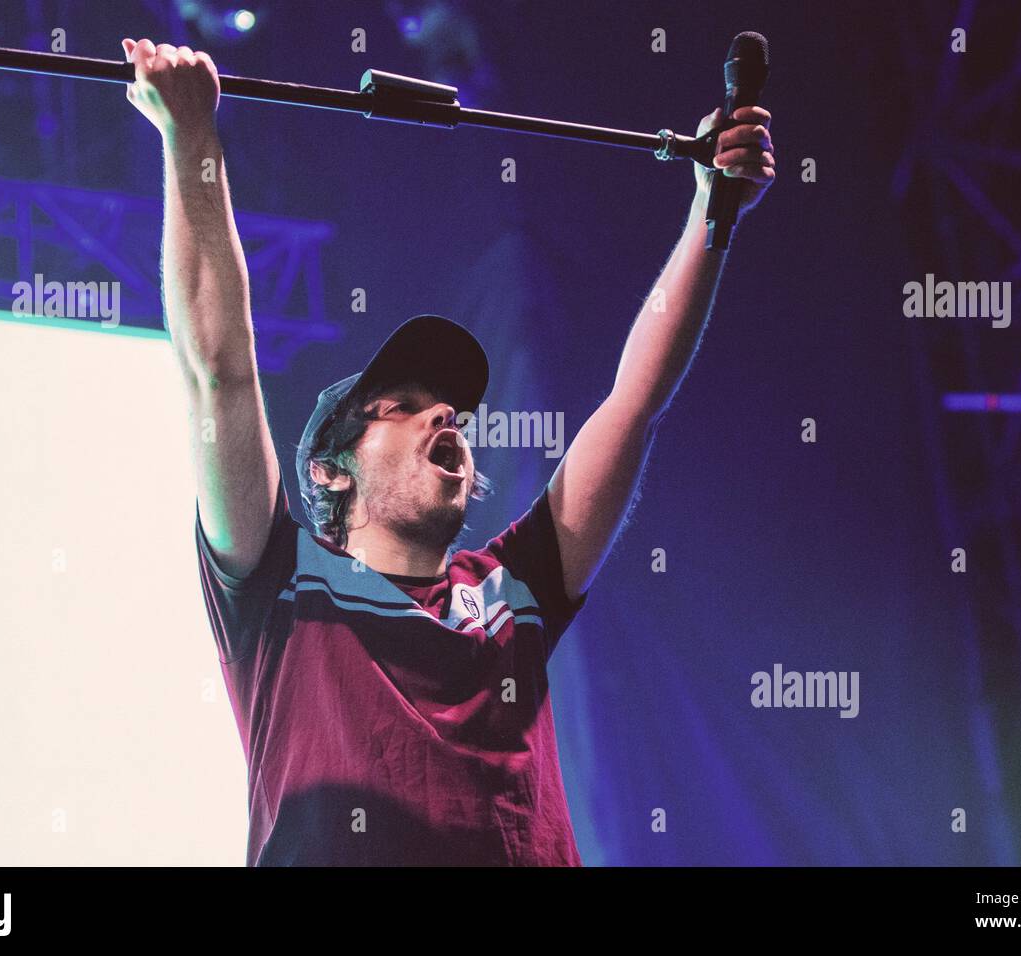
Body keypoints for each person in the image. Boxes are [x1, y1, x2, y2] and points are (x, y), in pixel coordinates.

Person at [121, 36, 775, 865]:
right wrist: (192, 140)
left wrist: (710, 217)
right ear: (329, 469)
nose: (445, 419)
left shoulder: (513, 588)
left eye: (454, 412)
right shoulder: (276, 585)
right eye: (402, 408)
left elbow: (633, 401)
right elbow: (221, 376)